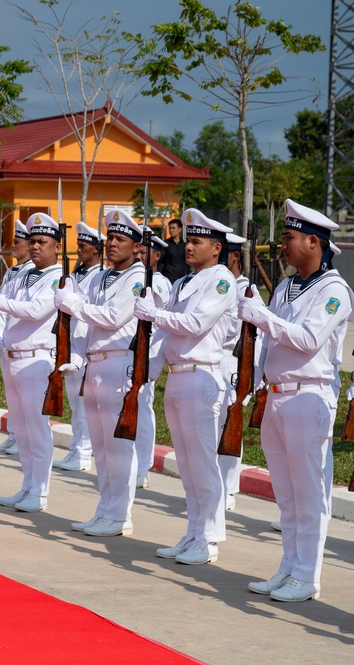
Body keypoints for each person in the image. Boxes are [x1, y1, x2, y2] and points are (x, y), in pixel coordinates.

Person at [239, 199, 352, 602]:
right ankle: (288, 567)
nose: (283, 245)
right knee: (285, 494)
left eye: (289, 238)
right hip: (278, 396)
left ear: (313, 242)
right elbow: (270, 340)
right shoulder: (286, 286)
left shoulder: (335, 290)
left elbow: (306, 339)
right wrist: (251, 381)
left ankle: (307, 575)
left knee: (308, 493)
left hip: (310, 397)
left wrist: (260, 315)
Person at [136, 209, 237, 565]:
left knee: (203, 463)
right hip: (178, 377)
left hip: (203, 376)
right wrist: (144, 373)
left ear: (216, 248)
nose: (189, 247)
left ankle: (208, 539)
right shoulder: (182, 283)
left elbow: (195, 324)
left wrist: (154, 314)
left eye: (197, 242)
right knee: (187, 465)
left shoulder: (222, 280)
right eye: (189, 240)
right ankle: (194, 531)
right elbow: (165, 335)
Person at [56, 210, 145, 537]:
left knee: (119, 446)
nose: (112, 244)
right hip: (95, 365)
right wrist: (77, 357)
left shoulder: (138, 278)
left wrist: (72, 304)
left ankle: (121, 515)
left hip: (119, 365)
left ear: (137, 247)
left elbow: (111, 317)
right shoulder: (101, 277)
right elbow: (85, 326)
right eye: (110, 238)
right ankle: (105, 509)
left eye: (120, 239)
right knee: (101, 446)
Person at [0, 213, 62, 512]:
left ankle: (39, 492)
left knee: (37, 429)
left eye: (42, 241)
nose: (35, 247)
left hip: (37, 360)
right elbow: (6, 310)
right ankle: (27, 485)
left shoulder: (57, 278)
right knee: (23, 430)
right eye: (32, 241)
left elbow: (34, 310)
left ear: (56, 247)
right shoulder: (25, 275)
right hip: (14, 357)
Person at [53, 220, 101, 472]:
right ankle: (76, 448)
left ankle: (82, 452)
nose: (79, 250)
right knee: (74, 401)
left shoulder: (98, 276)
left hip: (84, 343)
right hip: (69, 341)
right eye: (78, 245)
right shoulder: (75, 273)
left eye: (83, 246)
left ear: (96, 249)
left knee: (83, 403)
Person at [0, 220, 33, 455]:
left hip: (21, 340)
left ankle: (23, 437)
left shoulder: (29, 273)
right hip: (6, 340)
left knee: (25, 398)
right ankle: (15, 434)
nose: (12, 246)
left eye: (17, 242)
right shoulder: (13, 272)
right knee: (12, 396)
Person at [134, 234, 172, 489]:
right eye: (137, 249)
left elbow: (157, 320)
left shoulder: (159, 282)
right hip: (130, 352)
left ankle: (143, 467)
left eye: (145, 250)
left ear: (157, 256)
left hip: (147, 354)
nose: (139, 254)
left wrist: (154, 361)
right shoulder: (133, 276)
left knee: (142, 413)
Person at [217, 232, 249, 509]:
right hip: (215, 361)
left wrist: (252, 378)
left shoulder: (245, 290)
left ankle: (228, 488)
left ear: (235, 257)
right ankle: (216, 486)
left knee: (229, 426)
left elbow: (254, 338)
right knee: (213, 429)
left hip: (232, 363)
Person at [159, 217, 188, 283]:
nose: (171, 230)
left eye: (173, 228)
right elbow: (160, 262)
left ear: (179, 229)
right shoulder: (165, 244)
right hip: (168, 279)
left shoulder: (184, 245)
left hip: (182, 279)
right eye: (170, 228)